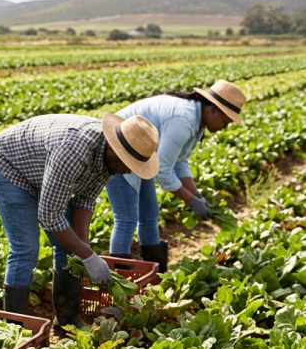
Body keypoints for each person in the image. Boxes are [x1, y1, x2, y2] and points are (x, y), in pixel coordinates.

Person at [0, 113, 159, 327]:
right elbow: (49, 216)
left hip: (45, 169)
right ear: (115, 149)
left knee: (70, 250)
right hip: (11, 167)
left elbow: (85, 200)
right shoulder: (74, 151)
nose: (129, 170)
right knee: (26, 249)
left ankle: (67, 320)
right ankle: (14, 328)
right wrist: (88, 255)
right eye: (128, 163)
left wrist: (84, 251)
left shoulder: (109, 159)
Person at [105, 79, 246, 272]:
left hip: (143, 156)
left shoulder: (197, 121)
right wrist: (190, 200)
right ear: (213, 109)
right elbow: (163, 170)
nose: (225, 127)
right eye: (226, 121)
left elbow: (179, 163)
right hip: (118, 152)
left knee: (149, 215)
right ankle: (121, 281)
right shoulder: (183, 119)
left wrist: (197, 196)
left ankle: (155, 273)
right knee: (126, 218)